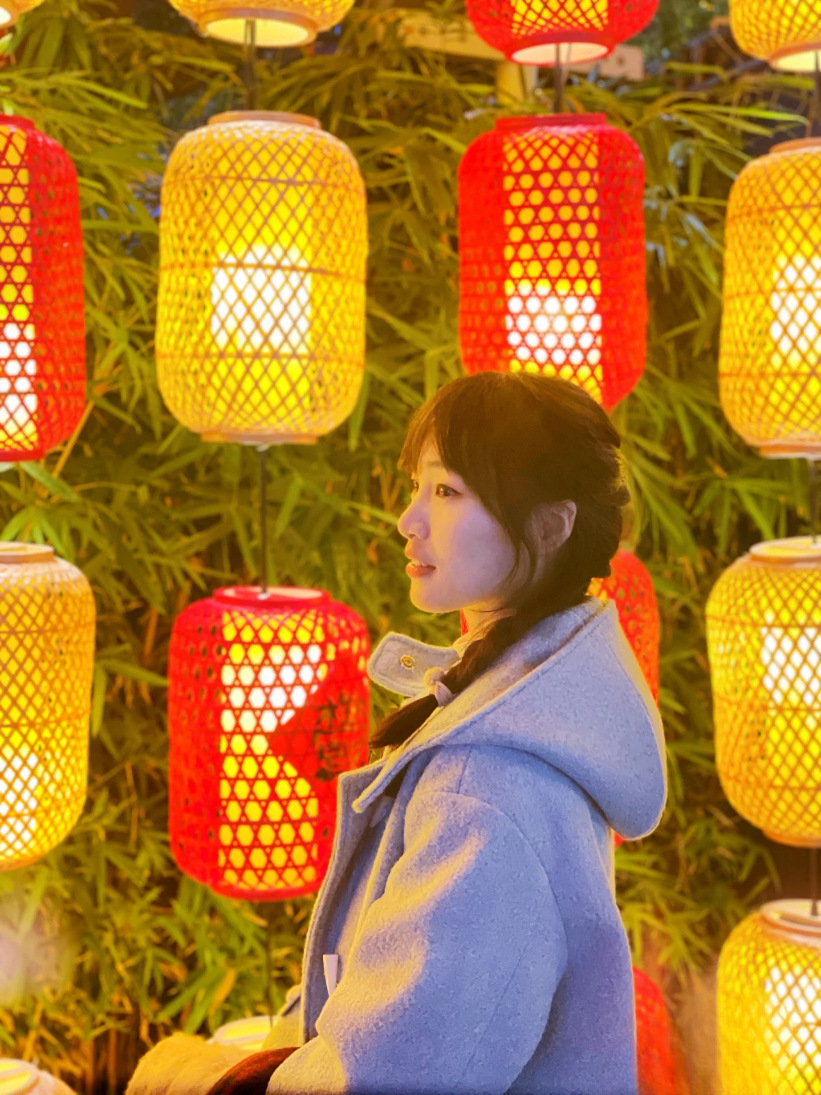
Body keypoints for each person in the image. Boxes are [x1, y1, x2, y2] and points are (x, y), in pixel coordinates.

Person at [126, 372, 666, 1095]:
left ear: (549, 525)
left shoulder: (487, 792)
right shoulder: (497, 722)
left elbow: (385, 1075)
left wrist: (189, 1079)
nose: (409, 519)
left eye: (446, 491)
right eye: (417, 486)